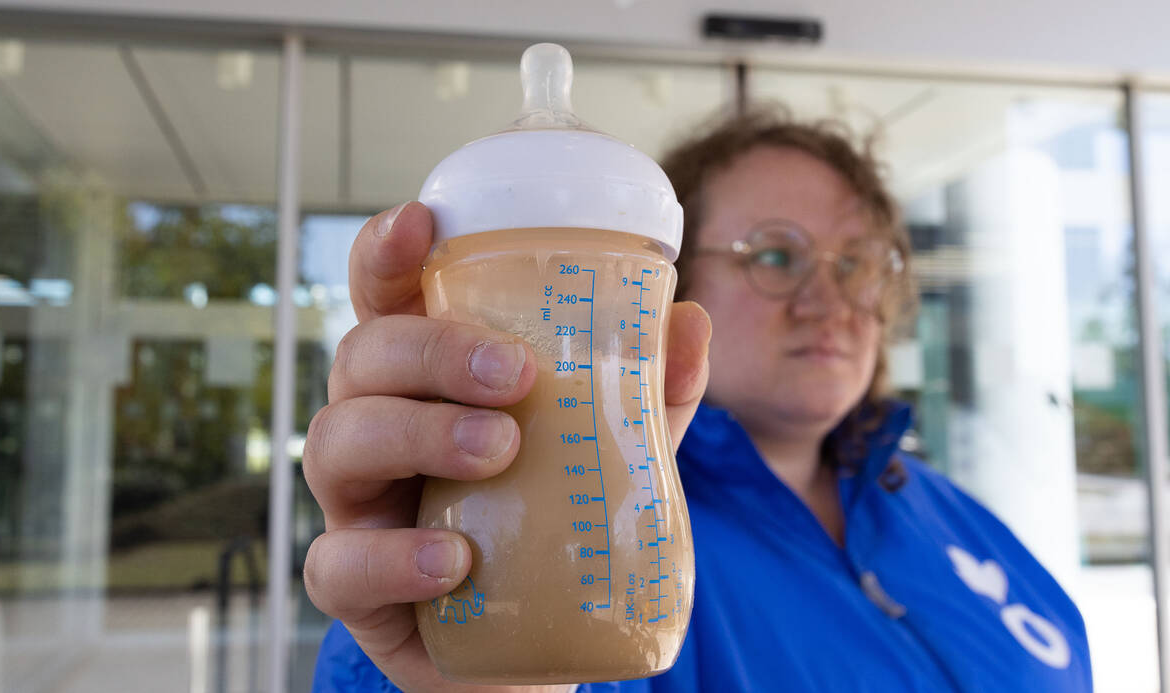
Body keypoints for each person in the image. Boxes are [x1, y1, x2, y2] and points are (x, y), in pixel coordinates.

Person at [302, 106, 1092, 691]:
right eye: (776, 255)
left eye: (858, 261)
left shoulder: (950, 513)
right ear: (668, 289)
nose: (829, 298)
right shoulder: (590, 550)